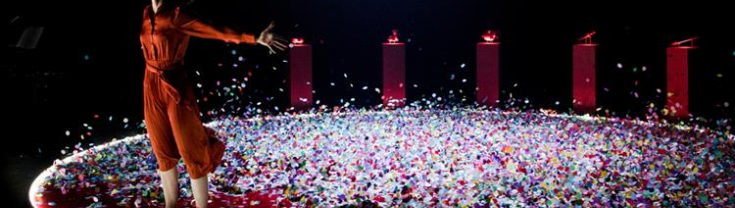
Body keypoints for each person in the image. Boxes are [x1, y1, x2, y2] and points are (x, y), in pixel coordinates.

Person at [140, 0, 287, 207]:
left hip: (175, 87)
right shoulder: (147, 13)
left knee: (191, 150)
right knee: (162, 150)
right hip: (150, 85)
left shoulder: (177, 15)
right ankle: (169, 205)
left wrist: (254, 38)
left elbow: (215, 31)